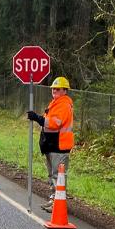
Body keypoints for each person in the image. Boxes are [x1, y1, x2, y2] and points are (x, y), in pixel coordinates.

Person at [27, 76, 74, 212]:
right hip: (52, 145)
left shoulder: (64, 104)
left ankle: (59, 203)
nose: (54, 91)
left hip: (59, 146)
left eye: (57, 89)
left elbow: (54, 123)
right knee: (52, 175)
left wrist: (38, 118)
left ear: (65, 91)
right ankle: (54, 199)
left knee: (58, 176)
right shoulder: (55, 102)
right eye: (53, 89)